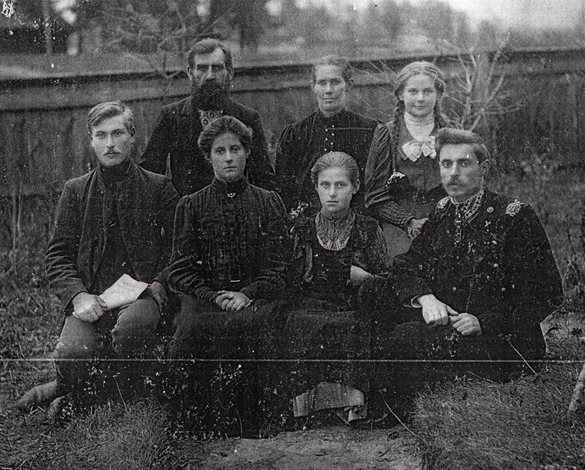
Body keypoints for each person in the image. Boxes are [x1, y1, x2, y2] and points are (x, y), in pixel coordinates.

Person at [16, 101, 180, 414]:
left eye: (118, 133)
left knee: (130, 332)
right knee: (73, 352)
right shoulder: (75, 191)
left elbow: (179, 252)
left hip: (141, 295)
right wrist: (78, 296)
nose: (110, 143)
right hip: (92, 297)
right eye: (101, 135)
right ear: (91, 141)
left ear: (133, 137)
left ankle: (79, 396)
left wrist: (157, 286)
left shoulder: (159, 187)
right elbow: (58, 255)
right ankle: (67, 385)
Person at [372, 128, 563, 392]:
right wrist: (426, 298)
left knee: (405, 337)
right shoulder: (443, 211)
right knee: (374, 293)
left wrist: (484, 322)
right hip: (450, 321)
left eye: (464, 163)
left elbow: (547, 292)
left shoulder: (514, 217)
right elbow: (407, 263)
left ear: (483, 168)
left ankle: (388, 404)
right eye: (446, 164)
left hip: (499, 342)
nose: (453, 173)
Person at [165, 115, 288, 436]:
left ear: (247, 152)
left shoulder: (268, 202)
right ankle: (196, 424)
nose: (229, 157)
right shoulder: (191, 205)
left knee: (258, 327)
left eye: (235, 149)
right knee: (190, 330)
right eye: (220, 151)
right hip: (207, 299)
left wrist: (247, 293)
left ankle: (257, 424)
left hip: (255, 297)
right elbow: (179, 270)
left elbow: (279, 267)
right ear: (208, 157)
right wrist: (212, 295)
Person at [274, 152, 388, 427]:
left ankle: (353, 405)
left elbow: (383, 279)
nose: (332, 193)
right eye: (325, 185)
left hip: (353, 305)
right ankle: (307, 407)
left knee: (355, 325)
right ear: (316, 188)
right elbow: (290, 280)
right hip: (311, 304)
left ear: (355, 187)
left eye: (341, 185)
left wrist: (366, 277)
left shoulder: (368, 228)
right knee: (300, 321)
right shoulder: (301, 229)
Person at [140, 38, 276, 196]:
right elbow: (150, 175)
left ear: (230, 72)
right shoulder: (171, 117)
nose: (210, 76)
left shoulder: (247, 118)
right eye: (202, 68)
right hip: (188, 214)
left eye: (217, 68)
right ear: (190, 73)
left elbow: (263, 179)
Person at [365, 61, 448, 263]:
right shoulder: (387, 134)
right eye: (413, 91)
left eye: (427, 92)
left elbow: (467, 186)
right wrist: (407, 221)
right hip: (399, 225)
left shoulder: (451, 133)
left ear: (437, 95)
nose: (420, 99)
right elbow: (374, 196)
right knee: (404, 270)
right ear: (401, 95)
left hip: (445, 219)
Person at [276, 55, 378, 217]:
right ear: (313, 86)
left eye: (335, 82)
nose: (328, 90)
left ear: (349, 84)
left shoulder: (369, 130)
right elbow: (285, 189)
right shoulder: (296, 134)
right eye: (322, 83)